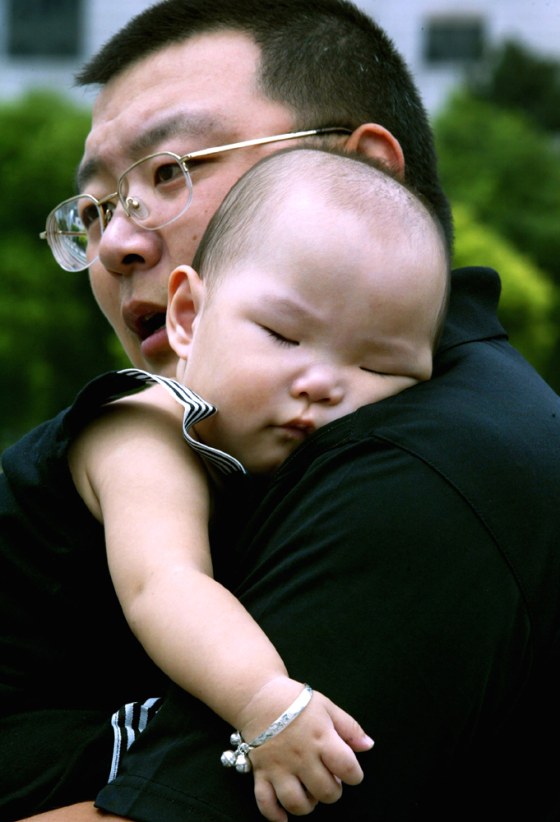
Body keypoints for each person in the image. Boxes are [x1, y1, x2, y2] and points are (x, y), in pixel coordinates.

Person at [21, 0, 560, 819]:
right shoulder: (160, 429)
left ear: (369, 172)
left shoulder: (419, 469)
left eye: (170, 170)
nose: (116, 245)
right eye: (94, 211)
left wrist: (269, 707)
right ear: (187, 312)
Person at [2, 148, 449, 822]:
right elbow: (164, 584)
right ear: (186, 315)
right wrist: (267, 702)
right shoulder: (145, 429)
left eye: (380, 368)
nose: (323, 383)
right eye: (282, 335)